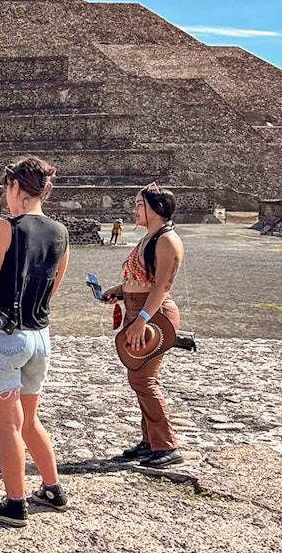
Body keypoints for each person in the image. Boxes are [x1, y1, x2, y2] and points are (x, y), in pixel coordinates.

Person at [0, 155, 71, 526]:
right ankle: (53, 488)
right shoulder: (61, 232)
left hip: (3, 336)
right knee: (30, 419)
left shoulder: (4, 228)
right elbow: (52, 288)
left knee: (8, 425)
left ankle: (15, 502)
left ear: (15, 187)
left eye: (5, 189)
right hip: (39, 335)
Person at [101, 183, 186, 468]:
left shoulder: (167, 240)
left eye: (140, 205)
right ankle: (150, 440)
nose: (134, 209)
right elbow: (143, 280)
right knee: (139, 377)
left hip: (153, 314)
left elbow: (162, 286)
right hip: (139, 311)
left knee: (144, 379)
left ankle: (166, 444)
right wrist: (119, 291)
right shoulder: (149, 238)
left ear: (157, 209)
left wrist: (143, 320)